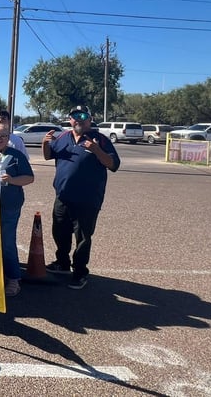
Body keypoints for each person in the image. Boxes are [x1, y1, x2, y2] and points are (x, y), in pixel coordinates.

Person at [42, 105, 120, 290]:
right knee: (59, 231)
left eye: (83, 115)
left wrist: (96, 150)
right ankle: (62, 262)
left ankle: (79, 272)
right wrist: (45, 144)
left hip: (88, 199)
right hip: (62, 196)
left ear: (90, 119)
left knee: (83, 237)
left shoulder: (99, 139)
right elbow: (48, 156)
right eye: (75, 116)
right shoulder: (62, 137)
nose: (79, 119)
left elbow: (113, 164)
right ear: (70, 119)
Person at [0, 123, 35, 296]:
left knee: (6, 242)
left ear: (8, 138)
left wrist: (12, 180)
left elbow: (29, 178)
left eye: (3, 136)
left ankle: (14, 279)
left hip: (9, 206)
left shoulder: (16, 156)